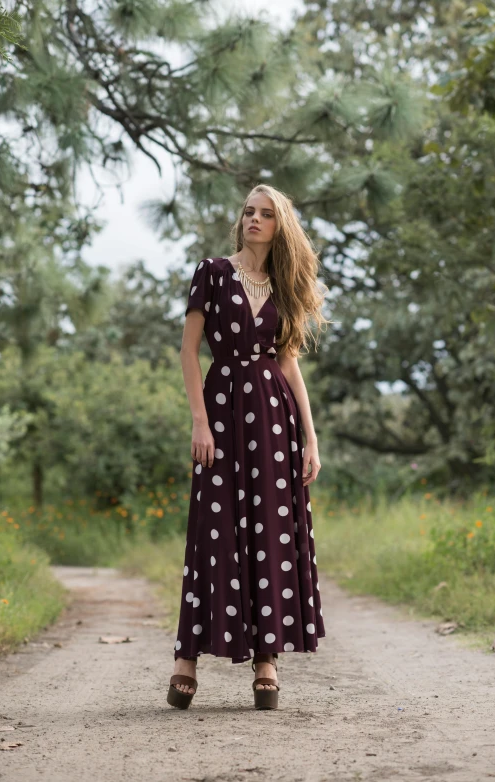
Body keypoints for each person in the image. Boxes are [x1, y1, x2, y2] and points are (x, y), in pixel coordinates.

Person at [167, 183, 330, 710]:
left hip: (274, 421)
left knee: (272, 532)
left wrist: (310, 436)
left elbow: (289, 366)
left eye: (265, 214)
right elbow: (190, 351)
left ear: (280, 225)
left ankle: (266, 661)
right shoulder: (211, 273)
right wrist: (200, 422)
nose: (253, 219)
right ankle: (185, 660)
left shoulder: (285, 286)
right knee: (212, 532)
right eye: (248, 211)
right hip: (220, 412)